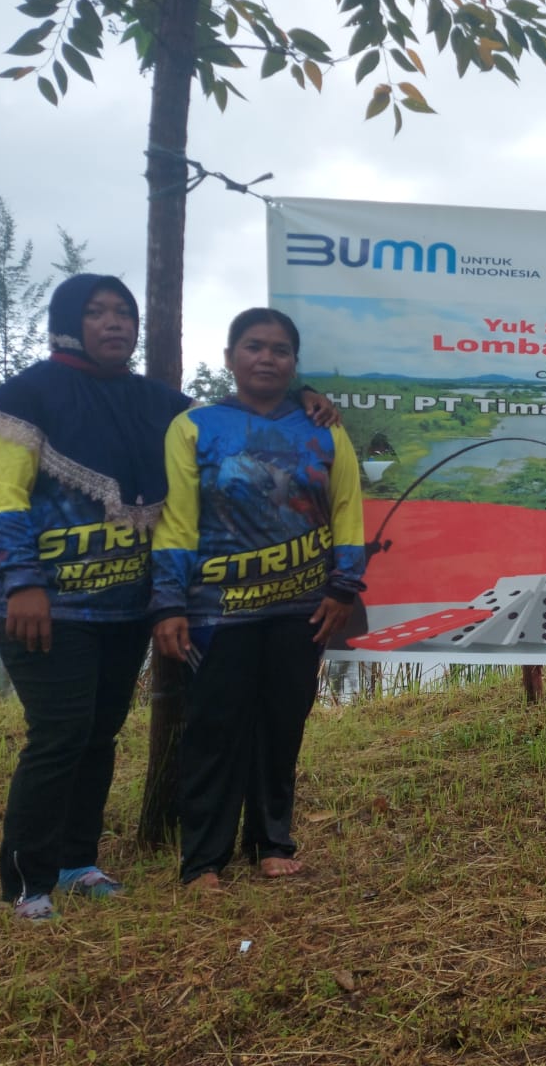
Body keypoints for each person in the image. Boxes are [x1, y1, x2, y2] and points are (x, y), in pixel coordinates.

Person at [0, 277, 343, 921]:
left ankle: (77, 862)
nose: (114, 323)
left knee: (100, 734)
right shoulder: (23, 398)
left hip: (125, 608)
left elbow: (241, 411)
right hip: (48, 608)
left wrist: (305, 397)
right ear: (68, 321)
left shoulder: (158, 403)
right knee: (58, 735)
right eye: (97, 312)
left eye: (125, 312)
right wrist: (22, 580)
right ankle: (27, 883)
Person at [151, 308, 366, 890]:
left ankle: (271, 842)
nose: (266, 358)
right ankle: (203, 859)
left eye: (279, 349)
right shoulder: (194, 427)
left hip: (302, 608)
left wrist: (344, 586)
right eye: (253, 346)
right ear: (230, 358)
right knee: (213, 729)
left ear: (294, 363)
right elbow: (176, 523)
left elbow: (347, 511)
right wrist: (168, 603)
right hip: (215, 613)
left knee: (282, 725)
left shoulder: (325, 429)